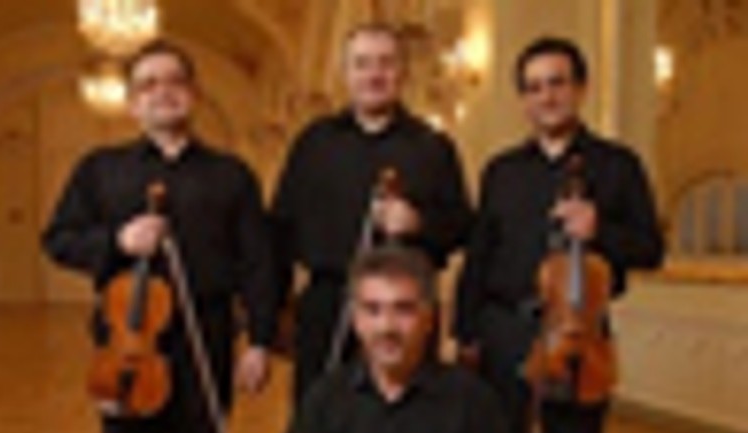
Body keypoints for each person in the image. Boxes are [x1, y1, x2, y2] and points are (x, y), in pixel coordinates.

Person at [42, 40, 277, 433]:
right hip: (126, 341)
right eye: (148, 84)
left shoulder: (232, 174)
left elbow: (258, 262)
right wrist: (118, 241)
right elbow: (58, 240)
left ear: (194, 94)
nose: (163, 91)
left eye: (175, 81)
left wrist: (260, 341)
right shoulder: (99, 168)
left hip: (206, 335)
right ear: (132, 104)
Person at [454, 36, 665, 433]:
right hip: (504, 332)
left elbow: (651, 249)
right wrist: (466, 334)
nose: (546, 97)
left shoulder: (618, 165)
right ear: (523, 100)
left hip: (578, 339)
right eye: (533, 88)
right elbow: (479, 256)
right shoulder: (501, 171)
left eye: (557, 83)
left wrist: (599, 229)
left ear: (580, 89)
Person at [272, 22, 471, 400]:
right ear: (346, 74)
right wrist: (272, 317)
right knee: (322, 411)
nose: (374, 74)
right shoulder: (314, 143)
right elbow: (281, 228)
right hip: (329, 302)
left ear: (403, 72)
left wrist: (419, 224)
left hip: (406, 307)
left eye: (386, 63)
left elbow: (462, 225)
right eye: (362, 64)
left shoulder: (432, 146)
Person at [288, 245, 508, 433]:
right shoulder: (324, 403)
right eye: (372, 310)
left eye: (404, 310)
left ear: (429, 319)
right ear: (355, 320)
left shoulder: (472, 405)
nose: (387, 327)